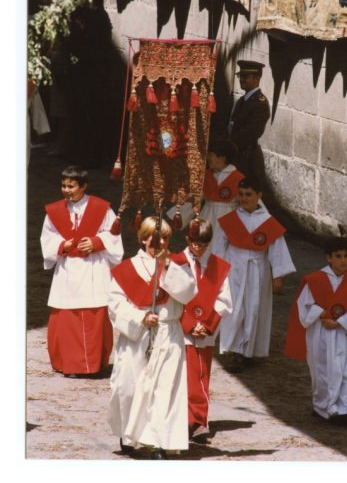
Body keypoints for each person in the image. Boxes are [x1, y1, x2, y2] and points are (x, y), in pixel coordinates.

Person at [107, 216, 196, 460]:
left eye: (165, 239)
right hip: (137, 335)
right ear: (143, 238)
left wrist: (168, 267)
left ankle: (159, 442)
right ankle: (128, 434)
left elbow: (188, 293)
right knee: (128, 385)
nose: (159, 244)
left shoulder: (178, 264)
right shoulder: (127, 268)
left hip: (168, 333)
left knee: (163, 389)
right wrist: (139, 317)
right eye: (154, 238)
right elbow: (115, 304)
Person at [40, 165, 124, 377]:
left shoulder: (101, 208)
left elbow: (113, 234)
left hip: (93, 268)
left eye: (71, 186)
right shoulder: (55, 211)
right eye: (63, 186)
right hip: (67, 269)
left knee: (93, 314)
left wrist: (97, 241)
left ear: (83, 186)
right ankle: (68, 363)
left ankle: (93, 365)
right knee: (67, 317)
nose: (66, 190)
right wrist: (62, 246)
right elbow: (47, 237)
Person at [284, 237, 347, 425]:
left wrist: (340, 322)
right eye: (338, 256)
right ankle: (322, 406)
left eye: (346, 256)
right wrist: (322, 313)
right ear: (328, 258)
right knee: (322, 370)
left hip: (342, 334)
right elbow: (304, 306)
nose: (343, 261)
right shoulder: (315, 280)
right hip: (320, 334)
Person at [213, 176, 296, 373]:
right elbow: (218, 246)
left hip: (257, 270)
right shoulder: (232, 219)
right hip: (234, 268)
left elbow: (277, 251)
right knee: (234, 309)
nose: (244, 198)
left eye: (249, 194)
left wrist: (277, 277)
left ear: (259, 195)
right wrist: (218, 272)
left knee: (254, 308)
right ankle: (235, 351)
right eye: (241, 194)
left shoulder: (267, 222)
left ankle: (249, 350)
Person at [171, 219, 232, 441]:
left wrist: (206, 326)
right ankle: (182, 419)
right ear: (187, 239)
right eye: (195, 243)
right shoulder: (174, 263)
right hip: (180, 329)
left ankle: (198, 420)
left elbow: (224, 301)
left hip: (204, 332)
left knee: (201, 374)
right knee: (180, 375)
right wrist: (188, 324)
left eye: (204, 244)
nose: (199, 247)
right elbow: (170, 299)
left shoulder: (219, 266)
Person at [228, 60, 270, 180]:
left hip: (248, 158)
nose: (242, 80)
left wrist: (230, 145)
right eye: (240, 76)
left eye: (246, 76)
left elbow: (252, 132)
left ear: (257, 78)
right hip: (235, 154)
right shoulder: (242, 101)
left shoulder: (260, 103)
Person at [199, 139, 244, 253]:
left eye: (211, 155)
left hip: (228, 220)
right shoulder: (206, 176)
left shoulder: (238, 178)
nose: (208, 157)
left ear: (222, 158)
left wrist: (259, 222)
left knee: (223, 252)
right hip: (206, 217)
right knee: (203, 250)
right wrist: (177, 216)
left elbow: (251, 203)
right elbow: (197, 199)